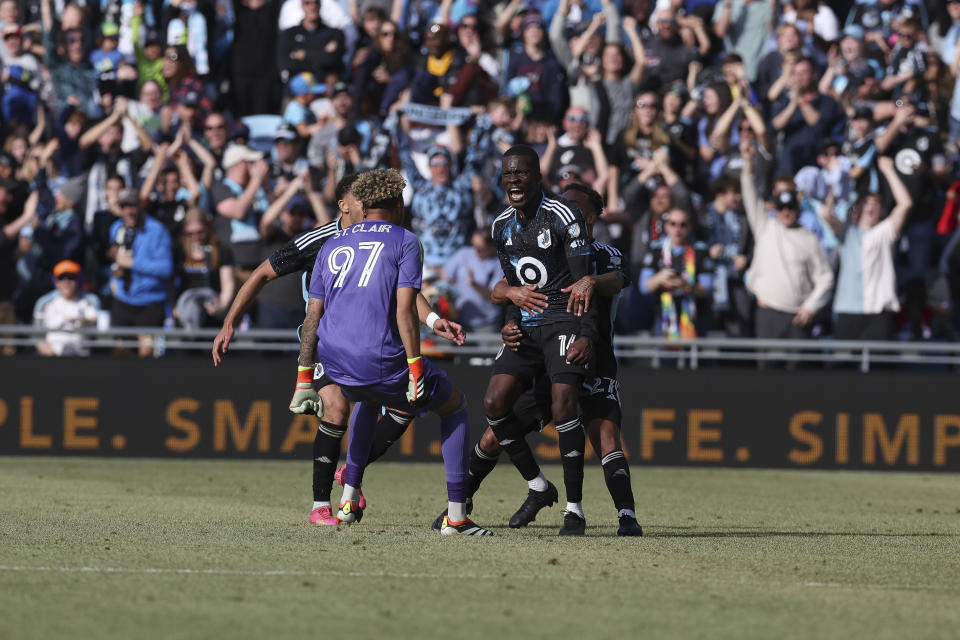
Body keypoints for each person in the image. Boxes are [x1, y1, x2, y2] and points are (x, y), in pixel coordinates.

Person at [212, 173, 465, 526]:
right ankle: (320, 504)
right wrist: (230, 321)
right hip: (324, 340)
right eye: (355, 199)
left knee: (401, 409)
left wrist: (434, 319)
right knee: (335, 409)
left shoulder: (381, 239)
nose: (363, 204)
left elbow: (404, 292)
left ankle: (350, 475)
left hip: (369, 338)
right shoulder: (323, 239)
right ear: (345, 205)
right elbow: (262, 274)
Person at [434, 183, 643, 536]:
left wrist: (589, 281)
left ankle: (626, 517)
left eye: (578, 208)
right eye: (565, 206)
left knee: (606, 438)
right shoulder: (547, 253)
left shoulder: (606, 254)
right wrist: (511, 318)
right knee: (492, 436)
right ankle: (464, 504)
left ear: (593, 216)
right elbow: (511, 288)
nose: (569, 213)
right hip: (550, 360)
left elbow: (620, 279)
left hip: (595, 359)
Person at [296, 168, 492, 536]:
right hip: (382, 360)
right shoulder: (404, 240)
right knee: (456, 406)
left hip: (335, 365)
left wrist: (304, 376)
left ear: (364, 205)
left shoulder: (331, 245)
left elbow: (312, 316)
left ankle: (348, 498)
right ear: (398, 204)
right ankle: (456, 516)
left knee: (368, 398)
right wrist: (415, 365)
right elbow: (403, 309)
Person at [484, 144, 597, 536]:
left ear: (537, 176)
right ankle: (537, 485)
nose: (513, 180)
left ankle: (574, 508)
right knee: (494, 403)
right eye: (507, 174)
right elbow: (512, 283)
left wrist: (586, 333)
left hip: (565, 320)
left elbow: (584, 284)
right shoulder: (501, 225)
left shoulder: (565, 217)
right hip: (527, 326)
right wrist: (510, 319)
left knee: (564, 405)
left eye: (521, 173)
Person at [741, 147, 833, 341]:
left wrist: (811, 306)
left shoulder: (810, 238)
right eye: (782, 208)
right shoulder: (765, 226)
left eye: (790, 208)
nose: (786, 213)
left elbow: (825, 277)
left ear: (798, 210)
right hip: (767, 312)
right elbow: (748, 189)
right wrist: (748, 161)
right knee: (767, 368)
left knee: (797, 369)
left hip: (797, 316)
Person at [822, 157, 913, 340]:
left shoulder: (884, 231)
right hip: (848, 309)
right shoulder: (847, 232)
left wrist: (888, 170)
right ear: (857, 209)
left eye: (876, 204)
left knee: (879, 366)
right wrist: (834, 178)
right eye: (866, 203)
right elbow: (826, 213)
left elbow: (905, 204)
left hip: (879, 309)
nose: (871, 207)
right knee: (843, 366)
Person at [108, 188, 174, 357]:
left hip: (149, 303)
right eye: (124, 206)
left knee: (147, 355)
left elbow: (166, 269)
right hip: (123, 300)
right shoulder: (116, 228)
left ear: (140, 206)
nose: (128, 211)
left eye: (132, 206)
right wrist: (114, 279)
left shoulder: (157, 231)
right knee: (120, 352)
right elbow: (117, 259)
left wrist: (134, 264)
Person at [32, 259, 100, 356]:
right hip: (53, 356)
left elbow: (97, 323)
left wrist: (83, 320)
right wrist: (47, 351)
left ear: (78, 281)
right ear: (56, 282)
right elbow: (36, 334)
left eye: (71, 278)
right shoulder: (45, 303)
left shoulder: (88, 301)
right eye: (62, 278)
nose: (66, 282)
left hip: (81, 356)